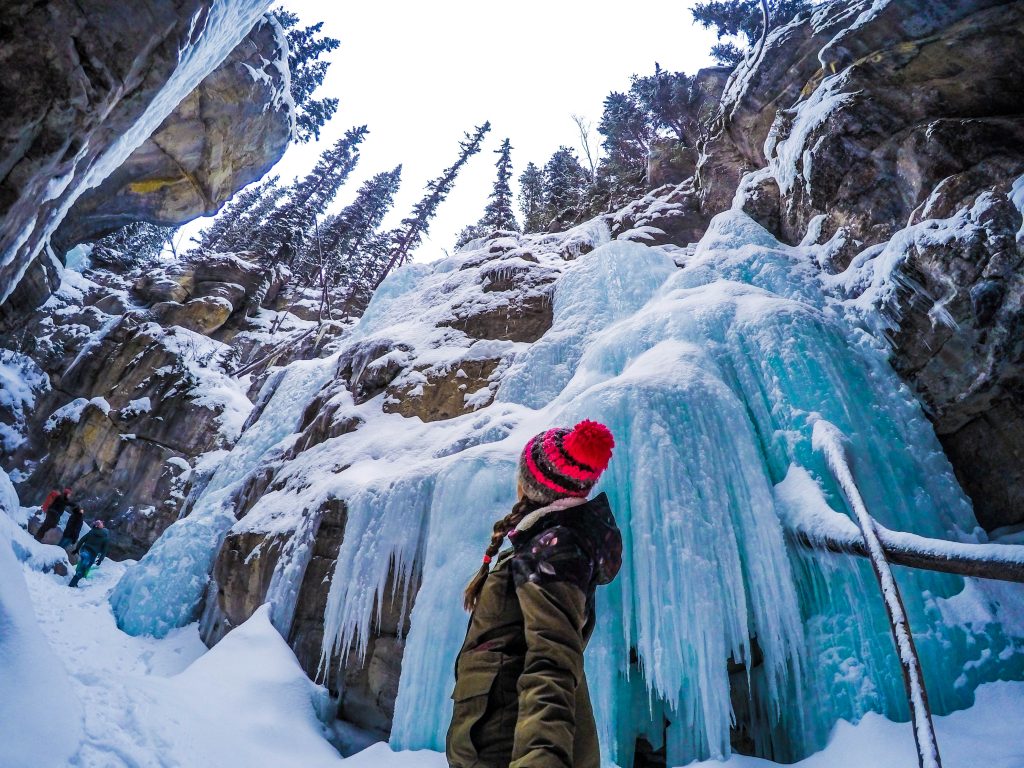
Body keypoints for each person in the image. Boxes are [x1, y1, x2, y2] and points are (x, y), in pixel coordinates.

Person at [446, 420, 622, 768]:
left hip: (507, 745)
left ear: (529, 485)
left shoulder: (554, 548)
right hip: (502, 738)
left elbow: (551, 663)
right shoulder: (547, 544)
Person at [69, 520, 110, 588]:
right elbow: (104, 551)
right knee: (84, 569)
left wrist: (77, 549)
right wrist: (100, 559)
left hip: (84, 551)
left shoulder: (91, 532)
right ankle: (72, 584)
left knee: (81, 565)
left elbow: (82, 540)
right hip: (92, 555)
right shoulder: (105, 538)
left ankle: (75, 582)